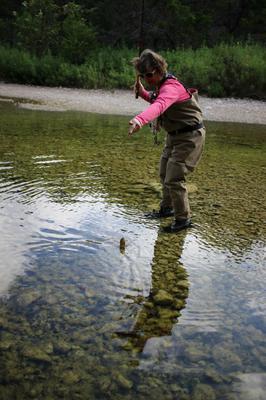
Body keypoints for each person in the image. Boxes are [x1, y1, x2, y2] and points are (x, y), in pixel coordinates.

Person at [128, 49, 205, 233]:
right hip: (174, 136)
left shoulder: (171, 88)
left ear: (159, 69)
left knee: (175, 178)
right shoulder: (161, 85)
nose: (146, 79)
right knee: (164, 173)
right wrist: (144, 92)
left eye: (149, 75)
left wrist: (139, 120)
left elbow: (160, 105)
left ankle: (183, 219)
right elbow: (156, 99)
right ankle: (167, 208)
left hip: (189, 137)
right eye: (142, 76)